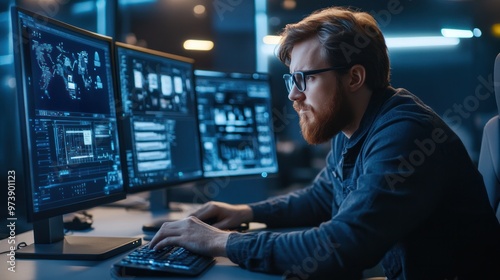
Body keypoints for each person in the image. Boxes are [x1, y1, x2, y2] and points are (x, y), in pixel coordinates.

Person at [149, 6, 500, 279]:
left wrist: (220, 242)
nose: (293, 95)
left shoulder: (406, 134)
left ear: (354, 78)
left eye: (305, 78)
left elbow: (343, 246)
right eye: (291, 78)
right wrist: (246, 213)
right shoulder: (352, 126)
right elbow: (321, 196)